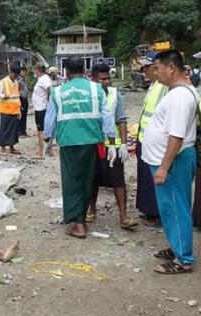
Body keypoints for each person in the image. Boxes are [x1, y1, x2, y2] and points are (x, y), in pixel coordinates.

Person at [44, 55, 116, 239]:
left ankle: (79, 225)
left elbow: (50, 119)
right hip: (91, 141)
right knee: (87, 181)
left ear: (65, 73)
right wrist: (112, 141)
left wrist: (47, 141)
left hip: (68, 142)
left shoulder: (57, 92)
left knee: (71, 183)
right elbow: (106, 116)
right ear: (84, 71)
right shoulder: (96, 88)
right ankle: (81, 221)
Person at [142, 50, 198, 274]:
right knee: (172, 206)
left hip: (173, 162)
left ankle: (183, 259)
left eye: (158, 68)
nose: (156, 72)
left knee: (175, 207)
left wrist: (164, 167)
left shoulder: (179, 98)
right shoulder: (177, 92)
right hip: (174, 160)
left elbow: (176, 136)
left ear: (171, 68)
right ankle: (178, 246)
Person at [86, 63, 137, 228]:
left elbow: (121, 120)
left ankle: (123, 217)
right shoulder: (88, 96)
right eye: (103, 79)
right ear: (93, 79)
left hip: (112, 146)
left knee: (118, 181)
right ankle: (91, 210)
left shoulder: (116, 95)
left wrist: (123, 144)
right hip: (93, 144)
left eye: (108, 78)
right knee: (92, 179)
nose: (107, 81)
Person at [136, 52, 167, 228]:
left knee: (154, 178)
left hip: (157, 141)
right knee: (145, 177)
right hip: (145, 138)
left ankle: (156, 214)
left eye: (145, 67)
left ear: (156, 68)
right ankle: (149, 210)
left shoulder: (164, 87)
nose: (143, 71)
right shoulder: (154, 85)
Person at [0, 65, 23, 155]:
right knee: (4, 128)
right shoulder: (3, 82)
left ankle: (12, 147)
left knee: (14, 130)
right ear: (10, 73)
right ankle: (3, 147)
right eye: (15, 74)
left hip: (15, 109)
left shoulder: (16, 82)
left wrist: (19, 109)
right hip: (5, 109)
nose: (16, 76)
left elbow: (17, 96)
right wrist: (6, 96)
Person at [32, 63, 54, 158]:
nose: (34, 72)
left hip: (41, 108)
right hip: (40, 107)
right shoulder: (42, 79)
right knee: (45, 130)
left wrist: (48, 100)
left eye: (34, 70)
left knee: (41, 131)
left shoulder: (44, 79)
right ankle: (49, 151)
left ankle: (41, 153)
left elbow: (50, 89)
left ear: (38, 70)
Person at [18, 66, 30, 137]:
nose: (24, 73)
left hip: (25, 99)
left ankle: (23, 131)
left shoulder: (25, 79)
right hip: (21, 99)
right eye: (23, 71)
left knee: (25, 115)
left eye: (25, 71)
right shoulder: (18, 80)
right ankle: (19, 132)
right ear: (20, 72)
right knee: (20, 115)